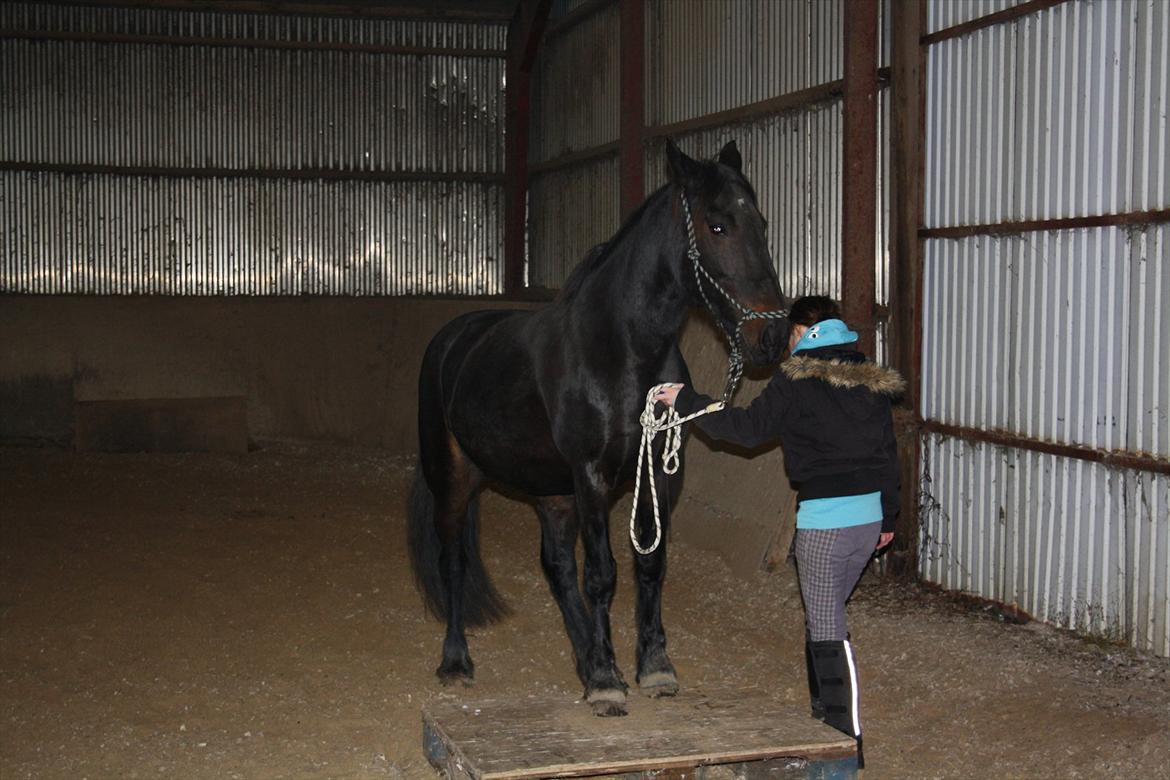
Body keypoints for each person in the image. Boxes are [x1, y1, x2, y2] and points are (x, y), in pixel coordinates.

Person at [653, 295, 904, 768]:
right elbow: (888, 451)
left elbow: (747, 429)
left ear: (798, 333)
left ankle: (842, 747)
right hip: (868, 522)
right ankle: (822, 719)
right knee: (825, 622)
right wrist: (888, 518)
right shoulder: (869, 376)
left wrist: (684, 399)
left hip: (824, 525)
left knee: (828, 631)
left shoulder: (795, 377)